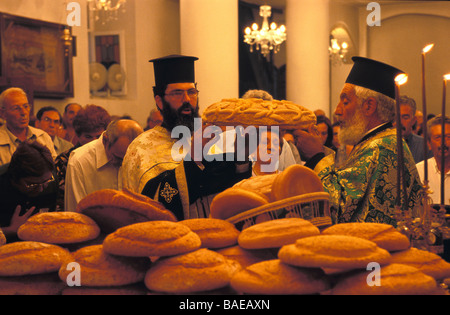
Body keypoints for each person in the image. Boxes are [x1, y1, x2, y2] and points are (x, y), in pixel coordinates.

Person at [294, 57, 423, 226]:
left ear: (369, 106)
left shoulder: (380, 147)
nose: (337, 110)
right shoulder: (381, 140)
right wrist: (321, 151)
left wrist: (317, 156)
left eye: (345, 101)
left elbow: (338, 209)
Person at [122, 55, 252, 220]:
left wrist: (242, 157)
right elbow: (150, 205)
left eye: (192, 92)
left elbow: (229, 192)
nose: (187, 100)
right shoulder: (141, 148)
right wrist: (193, 158)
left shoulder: (211, 137)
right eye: (177, 93)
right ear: (160, 101)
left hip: (216, 237)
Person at [65, 119, 143, 212]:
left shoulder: (142, 156)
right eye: (118, 158)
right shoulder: (80, 161)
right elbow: (76, 214)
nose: (124, 164)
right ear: (105, 141)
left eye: (129, 160)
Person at [54, 104, 112, 211]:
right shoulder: (64, 161)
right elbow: (60, 202)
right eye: (88, 137)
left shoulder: (113, 158)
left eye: (99, 137)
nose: (94, 142)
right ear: (78, 135)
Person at [0, 141, 57, 243]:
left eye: (45, 182)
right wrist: (11, 230)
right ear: (14, 178)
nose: (40, 189)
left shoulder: (51, 181)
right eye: (32, 185)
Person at [0, 88, 57, 165]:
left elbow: (54, 170)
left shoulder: (43, 137)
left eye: (26, 106)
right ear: (3, 113)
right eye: (16, 108)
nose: (24, 112)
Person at [416, 115, 450, 206]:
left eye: (448, 137)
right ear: (429, 144)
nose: (443, 143)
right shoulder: (419, 171)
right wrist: (423, 211)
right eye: (438, 137)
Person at [396, 95, 432, 163]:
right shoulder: (382, 145)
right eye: (396, 117)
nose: (399, 122)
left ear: (413, 120)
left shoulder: (425, 146)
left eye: (405, 117)